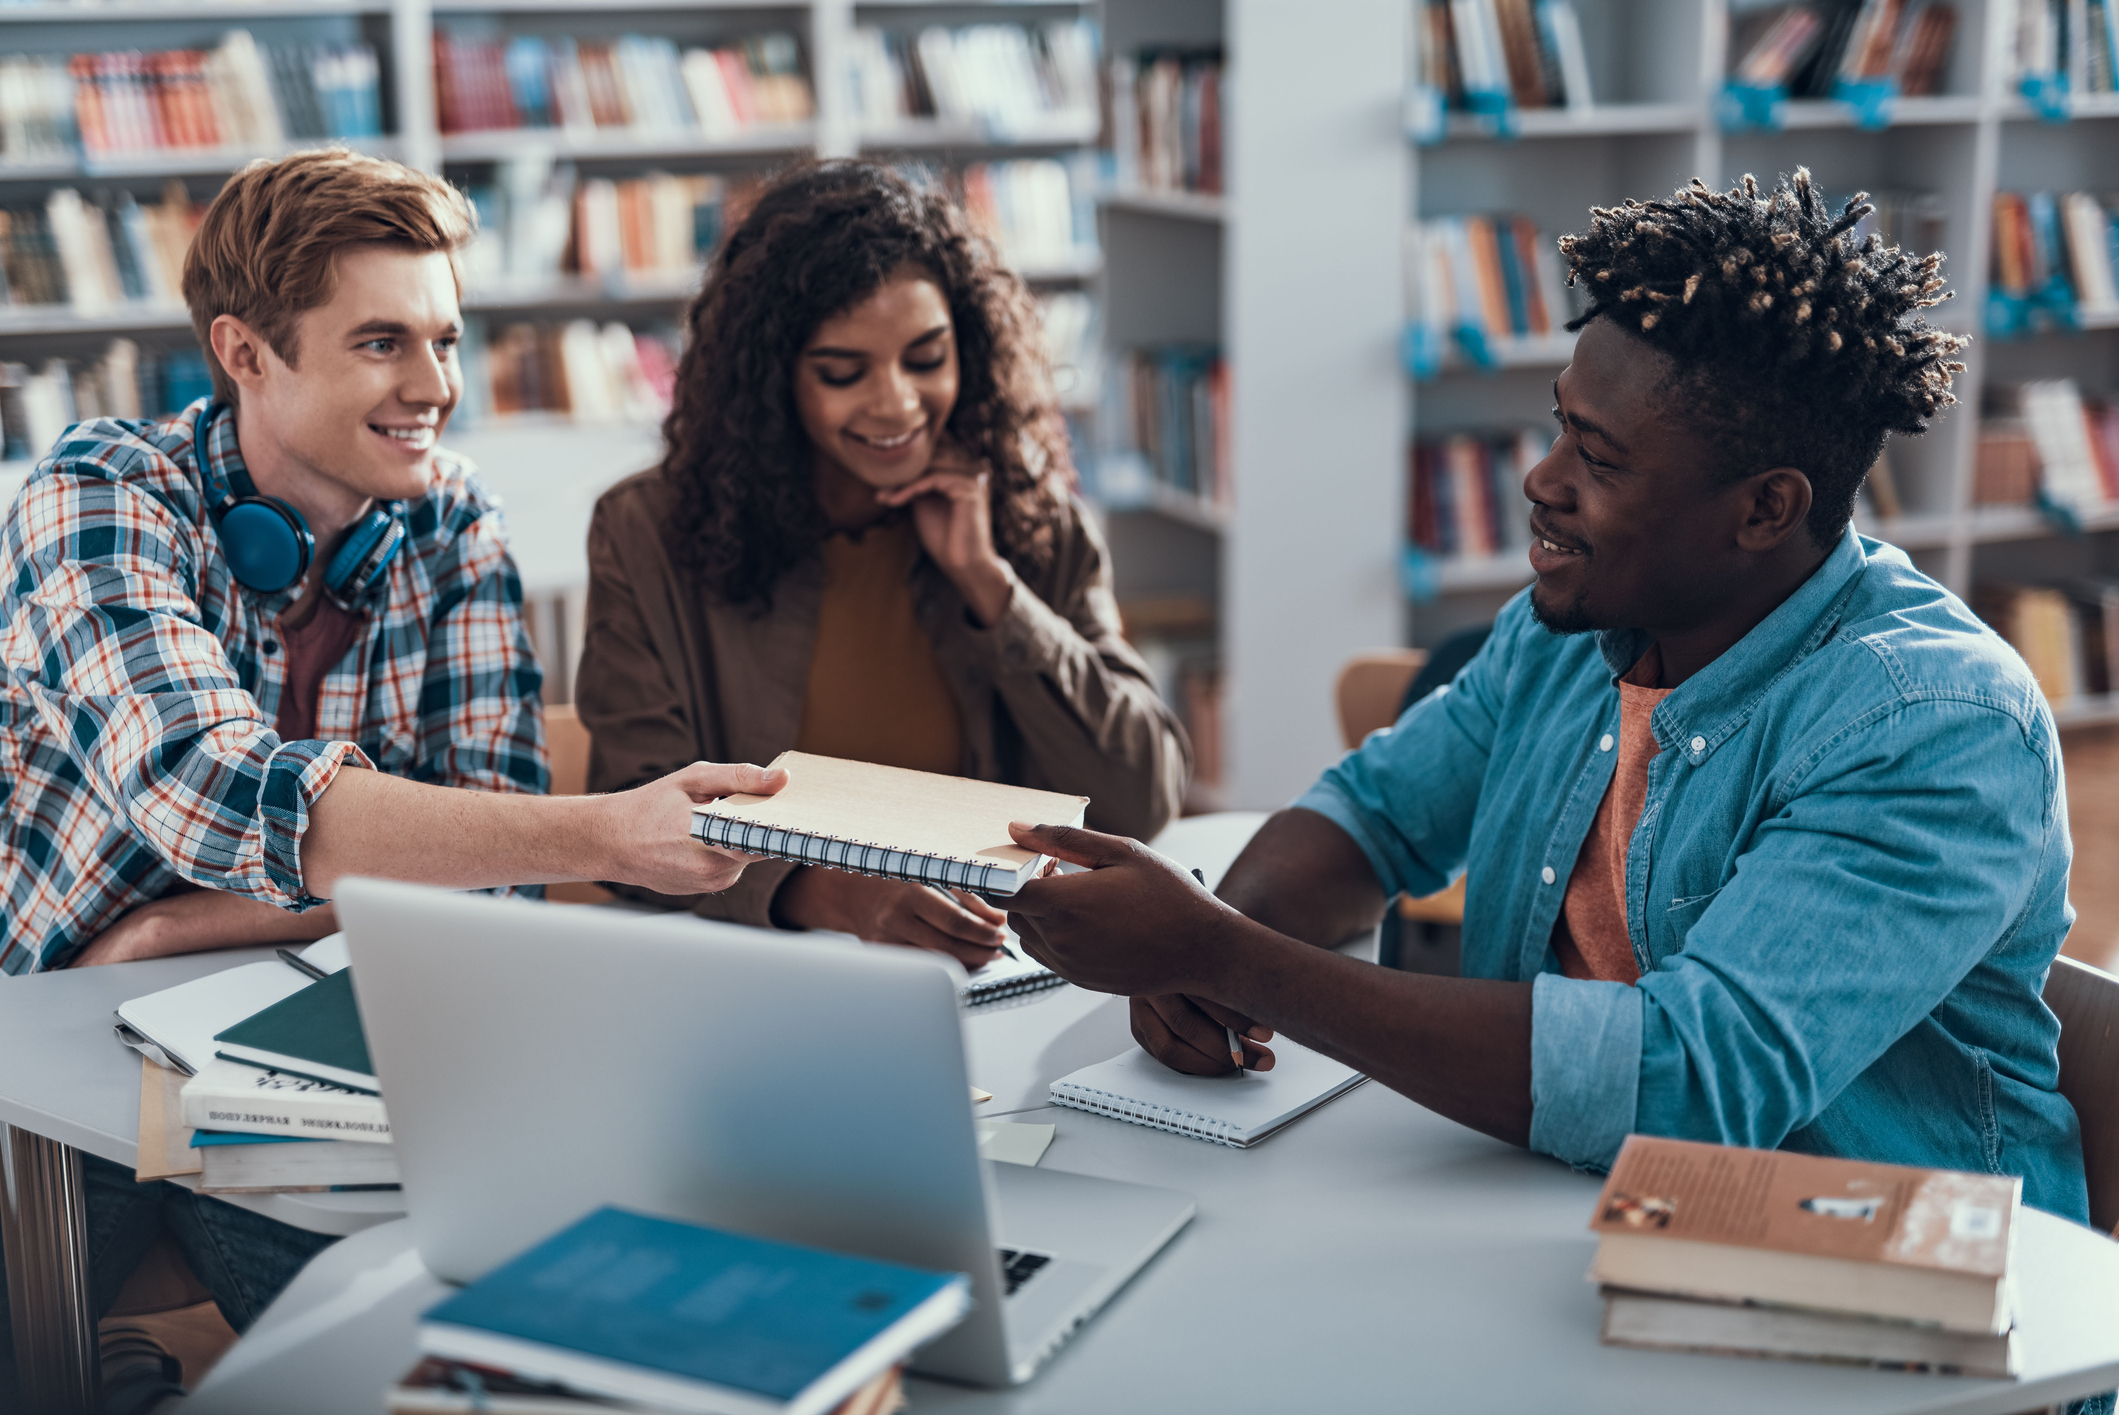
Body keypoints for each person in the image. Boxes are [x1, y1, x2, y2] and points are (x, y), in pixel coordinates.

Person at [1001, 170, 2093, 1227]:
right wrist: (1220, 951)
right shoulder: (1575, 624)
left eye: (1600, 459)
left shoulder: (1937, 724)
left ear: (1764, 509)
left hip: (1892, 1316)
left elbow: (1685, 1080)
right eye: (1560, 424)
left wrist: (1221, 955)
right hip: (1567, 1229)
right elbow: (1372, 815)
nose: (1542, 477)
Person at [0, 149, 777, 1410]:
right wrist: (598, 836)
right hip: (50, 1038)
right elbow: (212, 786)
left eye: (446, 340)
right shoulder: (101, 491)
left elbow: (506, 871)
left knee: (442, 1334)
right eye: (381, 344)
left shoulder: (450, 518)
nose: (435, 388)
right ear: (246, 353)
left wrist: (178, 927)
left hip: (301, 1040)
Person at [577, 160, 1189, 969]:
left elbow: (1141, 795)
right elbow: (629, 819)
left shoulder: (1027, 517)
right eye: (842, 372)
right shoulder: (646, 531)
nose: (897, 404)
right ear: (773, 379)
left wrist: (991, 589)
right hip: (762, 970)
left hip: (992, 967)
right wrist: (829, 893)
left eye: (926, 359)